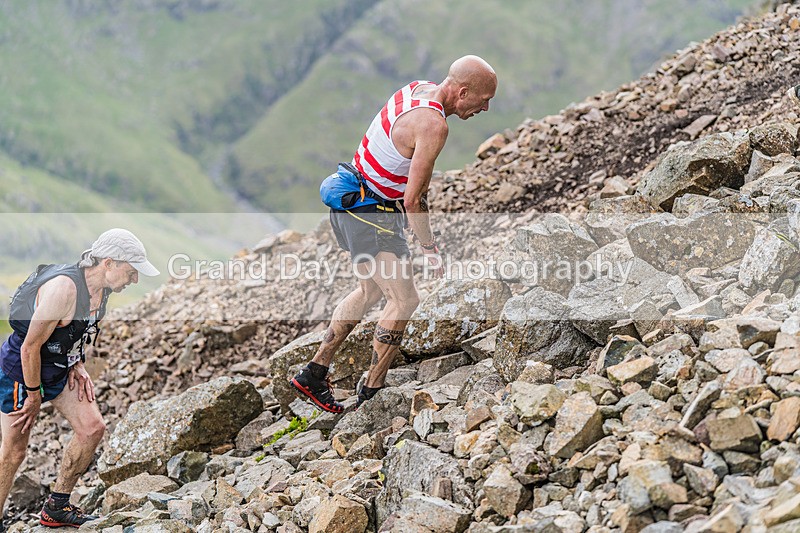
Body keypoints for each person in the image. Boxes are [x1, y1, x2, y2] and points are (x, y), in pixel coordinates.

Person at [291, 55, 497, 413]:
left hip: (349, 201)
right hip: (372, 216)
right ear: (463, 92)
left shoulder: (417, 89)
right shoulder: (434, 125)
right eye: (484, 100)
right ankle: (372, 394)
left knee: (370, 291)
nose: (486, 108)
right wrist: (429, 247)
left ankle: (314, 372)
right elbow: (413, 199)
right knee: (405, 301)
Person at [0, 229, 159, 530]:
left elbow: (80, 332)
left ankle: (56, 507)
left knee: (92, 428)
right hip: (22, 372)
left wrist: (78, 363)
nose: (135, 279)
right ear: (108, 263)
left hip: (60, 369)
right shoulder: (64, 290)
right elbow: (29, 347)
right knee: (14, 452)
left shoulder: (103, 291)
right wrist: (33, 396)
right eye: (131, 271)